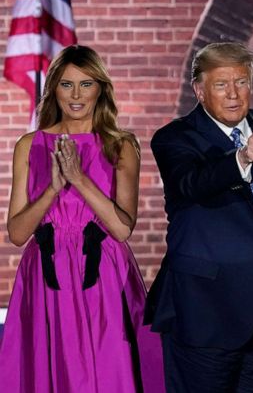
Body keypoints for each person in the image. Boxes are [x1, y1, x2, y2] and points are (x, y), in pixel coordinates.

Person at [144, 41, 253, 392]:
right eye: (221, 84)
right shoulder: (174, 138)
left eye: (241, 82)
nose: (233, 94)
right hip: (204, 313)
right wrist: (240, 159)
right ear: (199, 89)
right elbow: (191, 184)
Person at [0, 45, 164, 392]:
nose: (76, 95)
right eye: (66, 84)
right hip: (46, 277)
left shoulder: (121, 145)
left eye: (86, 84)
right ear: (53, 88)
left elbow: (121, 228)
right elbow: (16, 233)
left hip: (101, 275)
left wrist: (79, 179)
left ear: (101, 88)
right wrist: (51, 191)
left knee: (106, 373)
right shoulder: (29, 146)